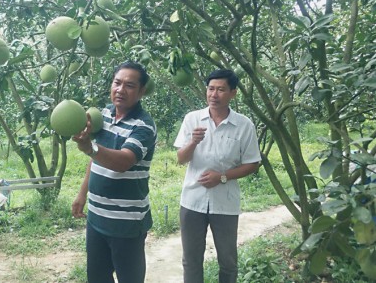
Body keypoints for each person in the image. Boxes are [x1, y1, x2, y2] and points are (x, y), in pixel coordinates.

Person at [71, 61, 157, 283]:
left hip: (126, 222)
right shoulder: (104, 115)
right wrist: (82, 193)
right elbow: (96, 159)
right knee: (98, 278)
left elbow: (124, 161)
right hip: (97, 217)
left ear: (141, 91)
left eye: (129, 85)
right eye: (117, 83)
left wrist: (91, 147)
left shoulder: (144, 126)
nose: (120, 90)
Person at [173, 69, 261, 283]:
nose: (214, 94)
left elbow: (253, 163)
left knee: (228, 261)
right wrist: (192, 142)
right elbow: (181, 159)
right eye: (211, 89)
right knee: (191, 260)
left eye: (221, 90)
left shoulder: (244, 125)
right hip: (192, 202)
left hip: (225, 204)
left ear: (233, 93)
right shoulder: (192, 119)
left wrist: (222, 176)